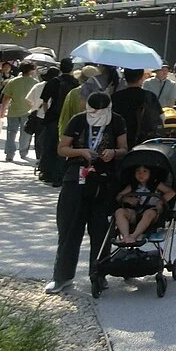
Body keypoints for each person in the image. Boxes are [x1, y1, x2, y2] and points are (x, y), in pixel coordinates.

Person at [46, 91, 127, 294]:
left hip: (104, 180)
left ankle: (99, 274)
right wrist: (81, 151)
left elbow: (124, 148)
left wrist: (113, 153)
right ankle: (62, 276)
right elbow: (62, 148)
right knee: (69, 227)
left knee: (100, 230)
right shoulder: (78, 120)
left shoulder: (117, 121)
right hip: (76, 178)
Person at [113, 163, 175, 244]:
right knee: (119, 212)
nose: (140, 174)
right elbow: (119, 196)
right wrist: (127, 199)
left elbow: (171, 192)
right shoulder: (133, 185)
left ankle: (134, 236)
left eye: (145, 171)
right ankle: (126, 236)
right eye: (137, 171)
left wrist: (160, 201)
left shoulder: (156, 184)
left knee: (149, 213)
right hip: (136, 211)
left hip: (152, 211)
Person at [113, 68, 164, 148]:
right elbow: (161, 117)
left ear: (125, 78)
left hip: (120, 140)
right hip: (144, 140)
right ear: (141, 78)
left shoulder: (115, 97)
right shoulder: (149, 96)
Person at [0, 61, 39, 161]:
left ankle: (9, 154)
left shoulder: (13, 81)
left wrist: (3, 110)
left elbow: (6, 97)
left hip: (13, 110)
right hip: (28, 111)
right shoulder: (35, 83)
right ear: (31, 70)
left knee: (11, 133)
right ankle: (23, 152)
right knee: (25, 133)